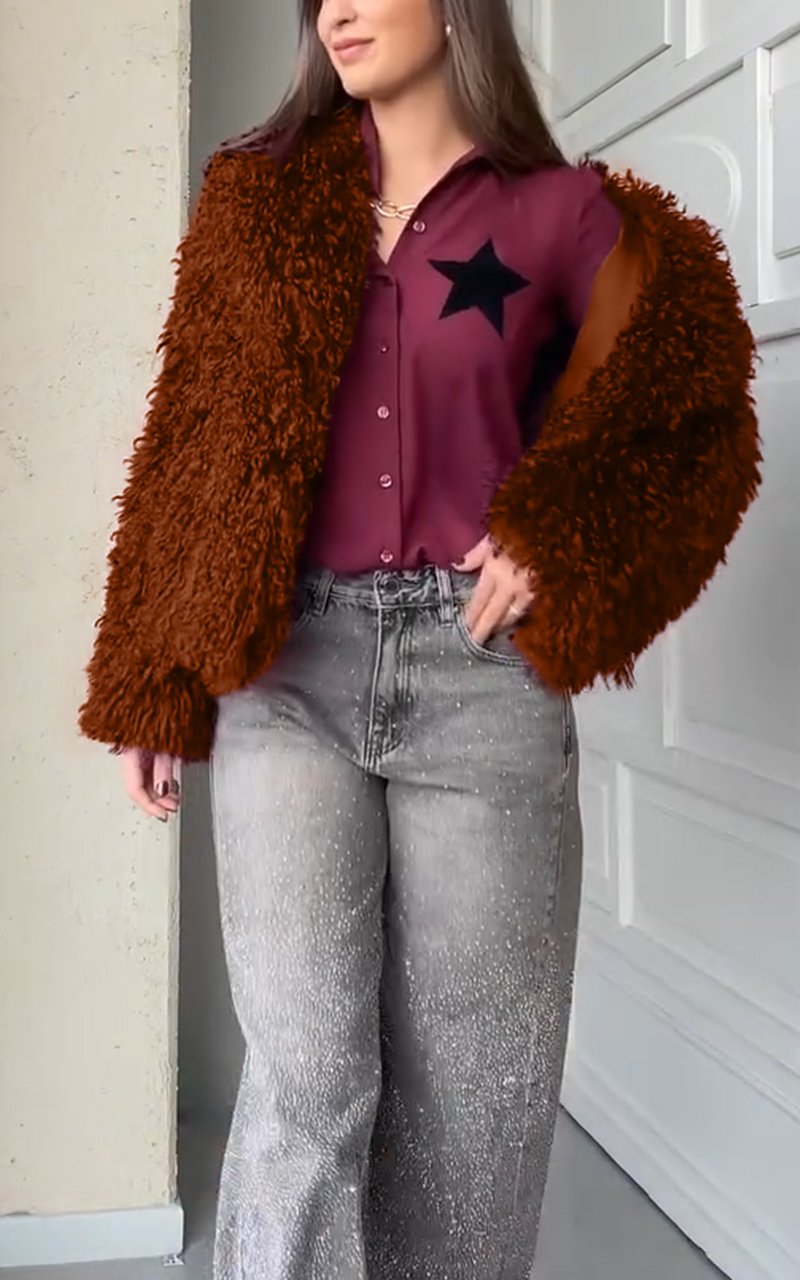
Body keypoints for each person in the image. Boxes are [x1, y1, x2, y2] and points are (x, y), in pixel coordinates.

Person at [77, 1, 761, 1276]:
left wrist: (558, 528)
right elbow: (190, 438)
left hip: (478, 683)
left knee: (473, 1100)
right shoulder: (256, 197)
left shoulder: (559, 212)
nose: (334, 9)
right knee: (306, 1076)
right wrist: (149, 677)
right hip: (288, 670)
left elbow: (687, 396)